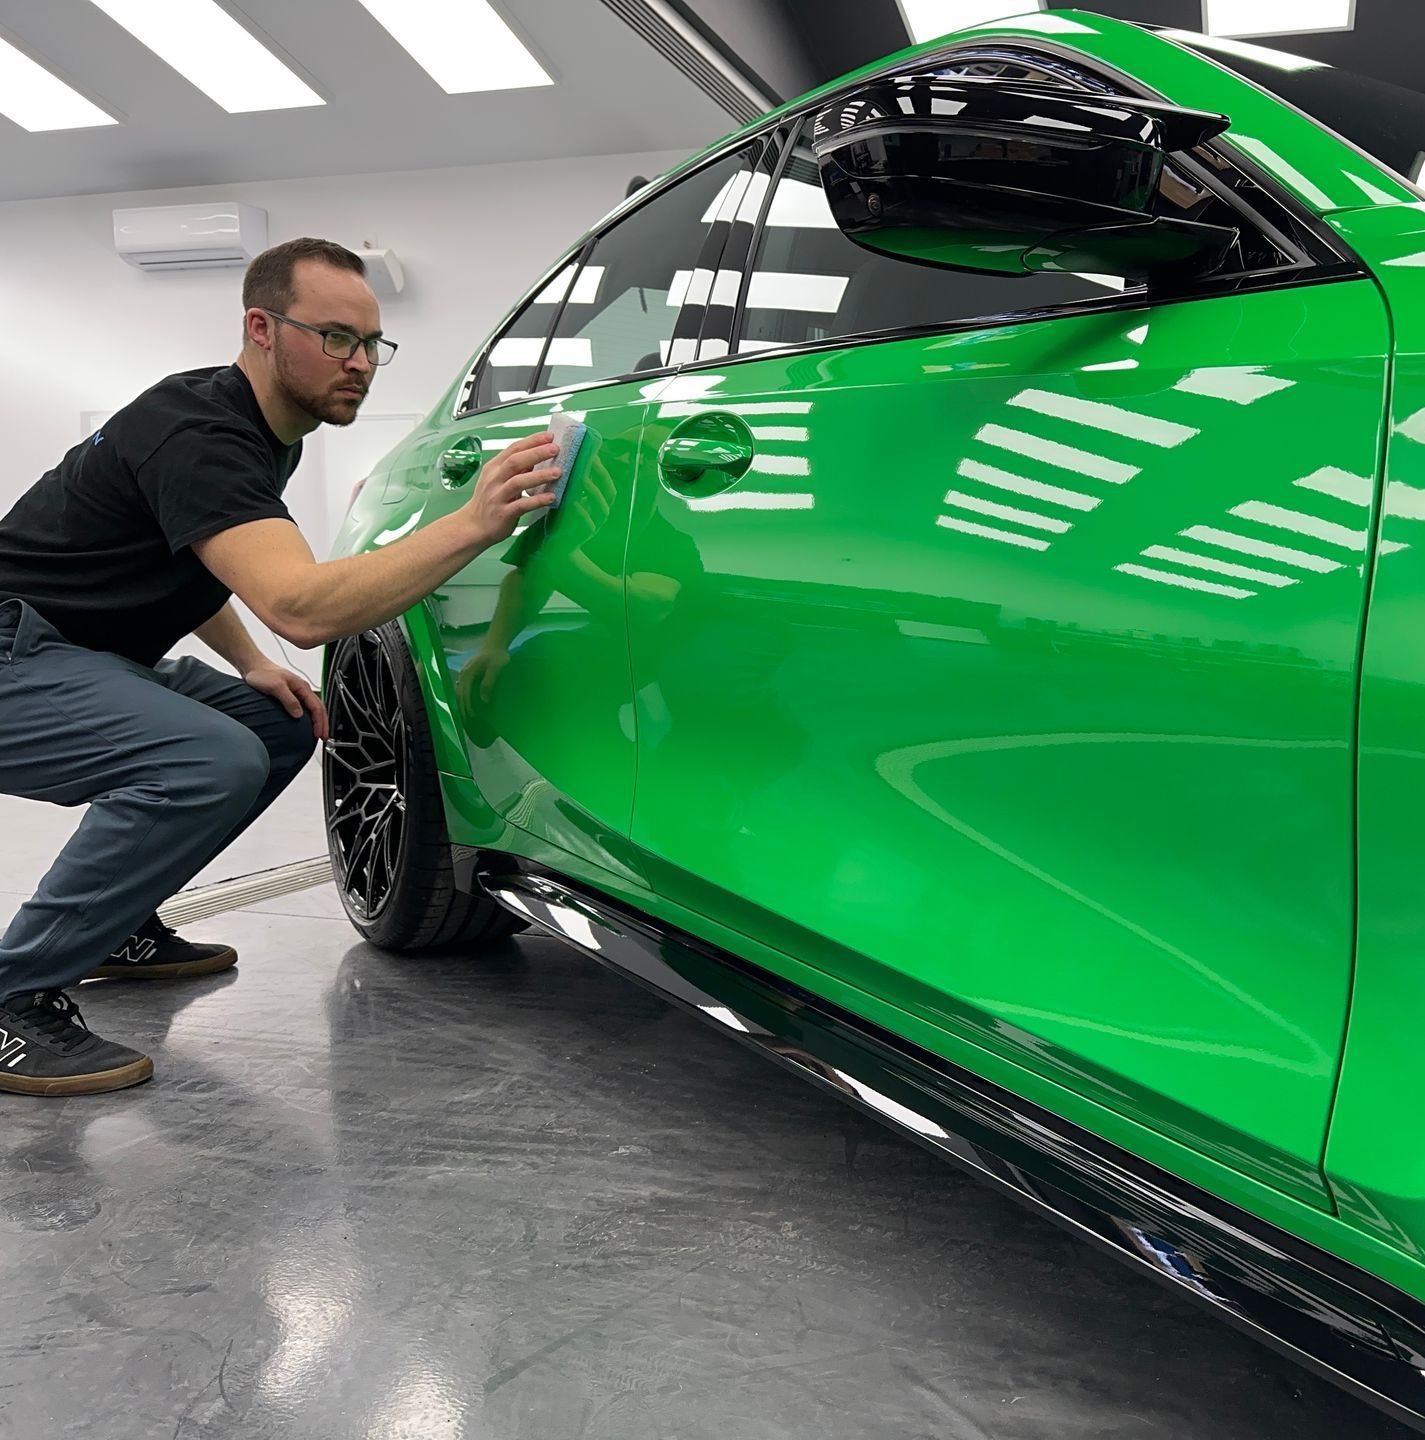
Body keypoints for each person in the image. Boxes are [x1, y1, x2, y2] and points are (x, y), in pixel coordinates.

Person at [0, 236, 561, 1097]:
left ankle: (111, 929)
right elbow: (302, 606)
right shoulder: (201, 431)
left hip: (70, 652)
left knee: (277, 723)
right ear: (261, 327)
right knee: (203, 758)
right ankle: (12, 992)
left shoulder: (264, 431)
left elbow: (199, 562)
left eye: (373, 343)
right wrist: (473, 524)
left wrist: (252, 663)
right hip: (15, 654)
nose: (361, 363)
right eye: (336, 337)